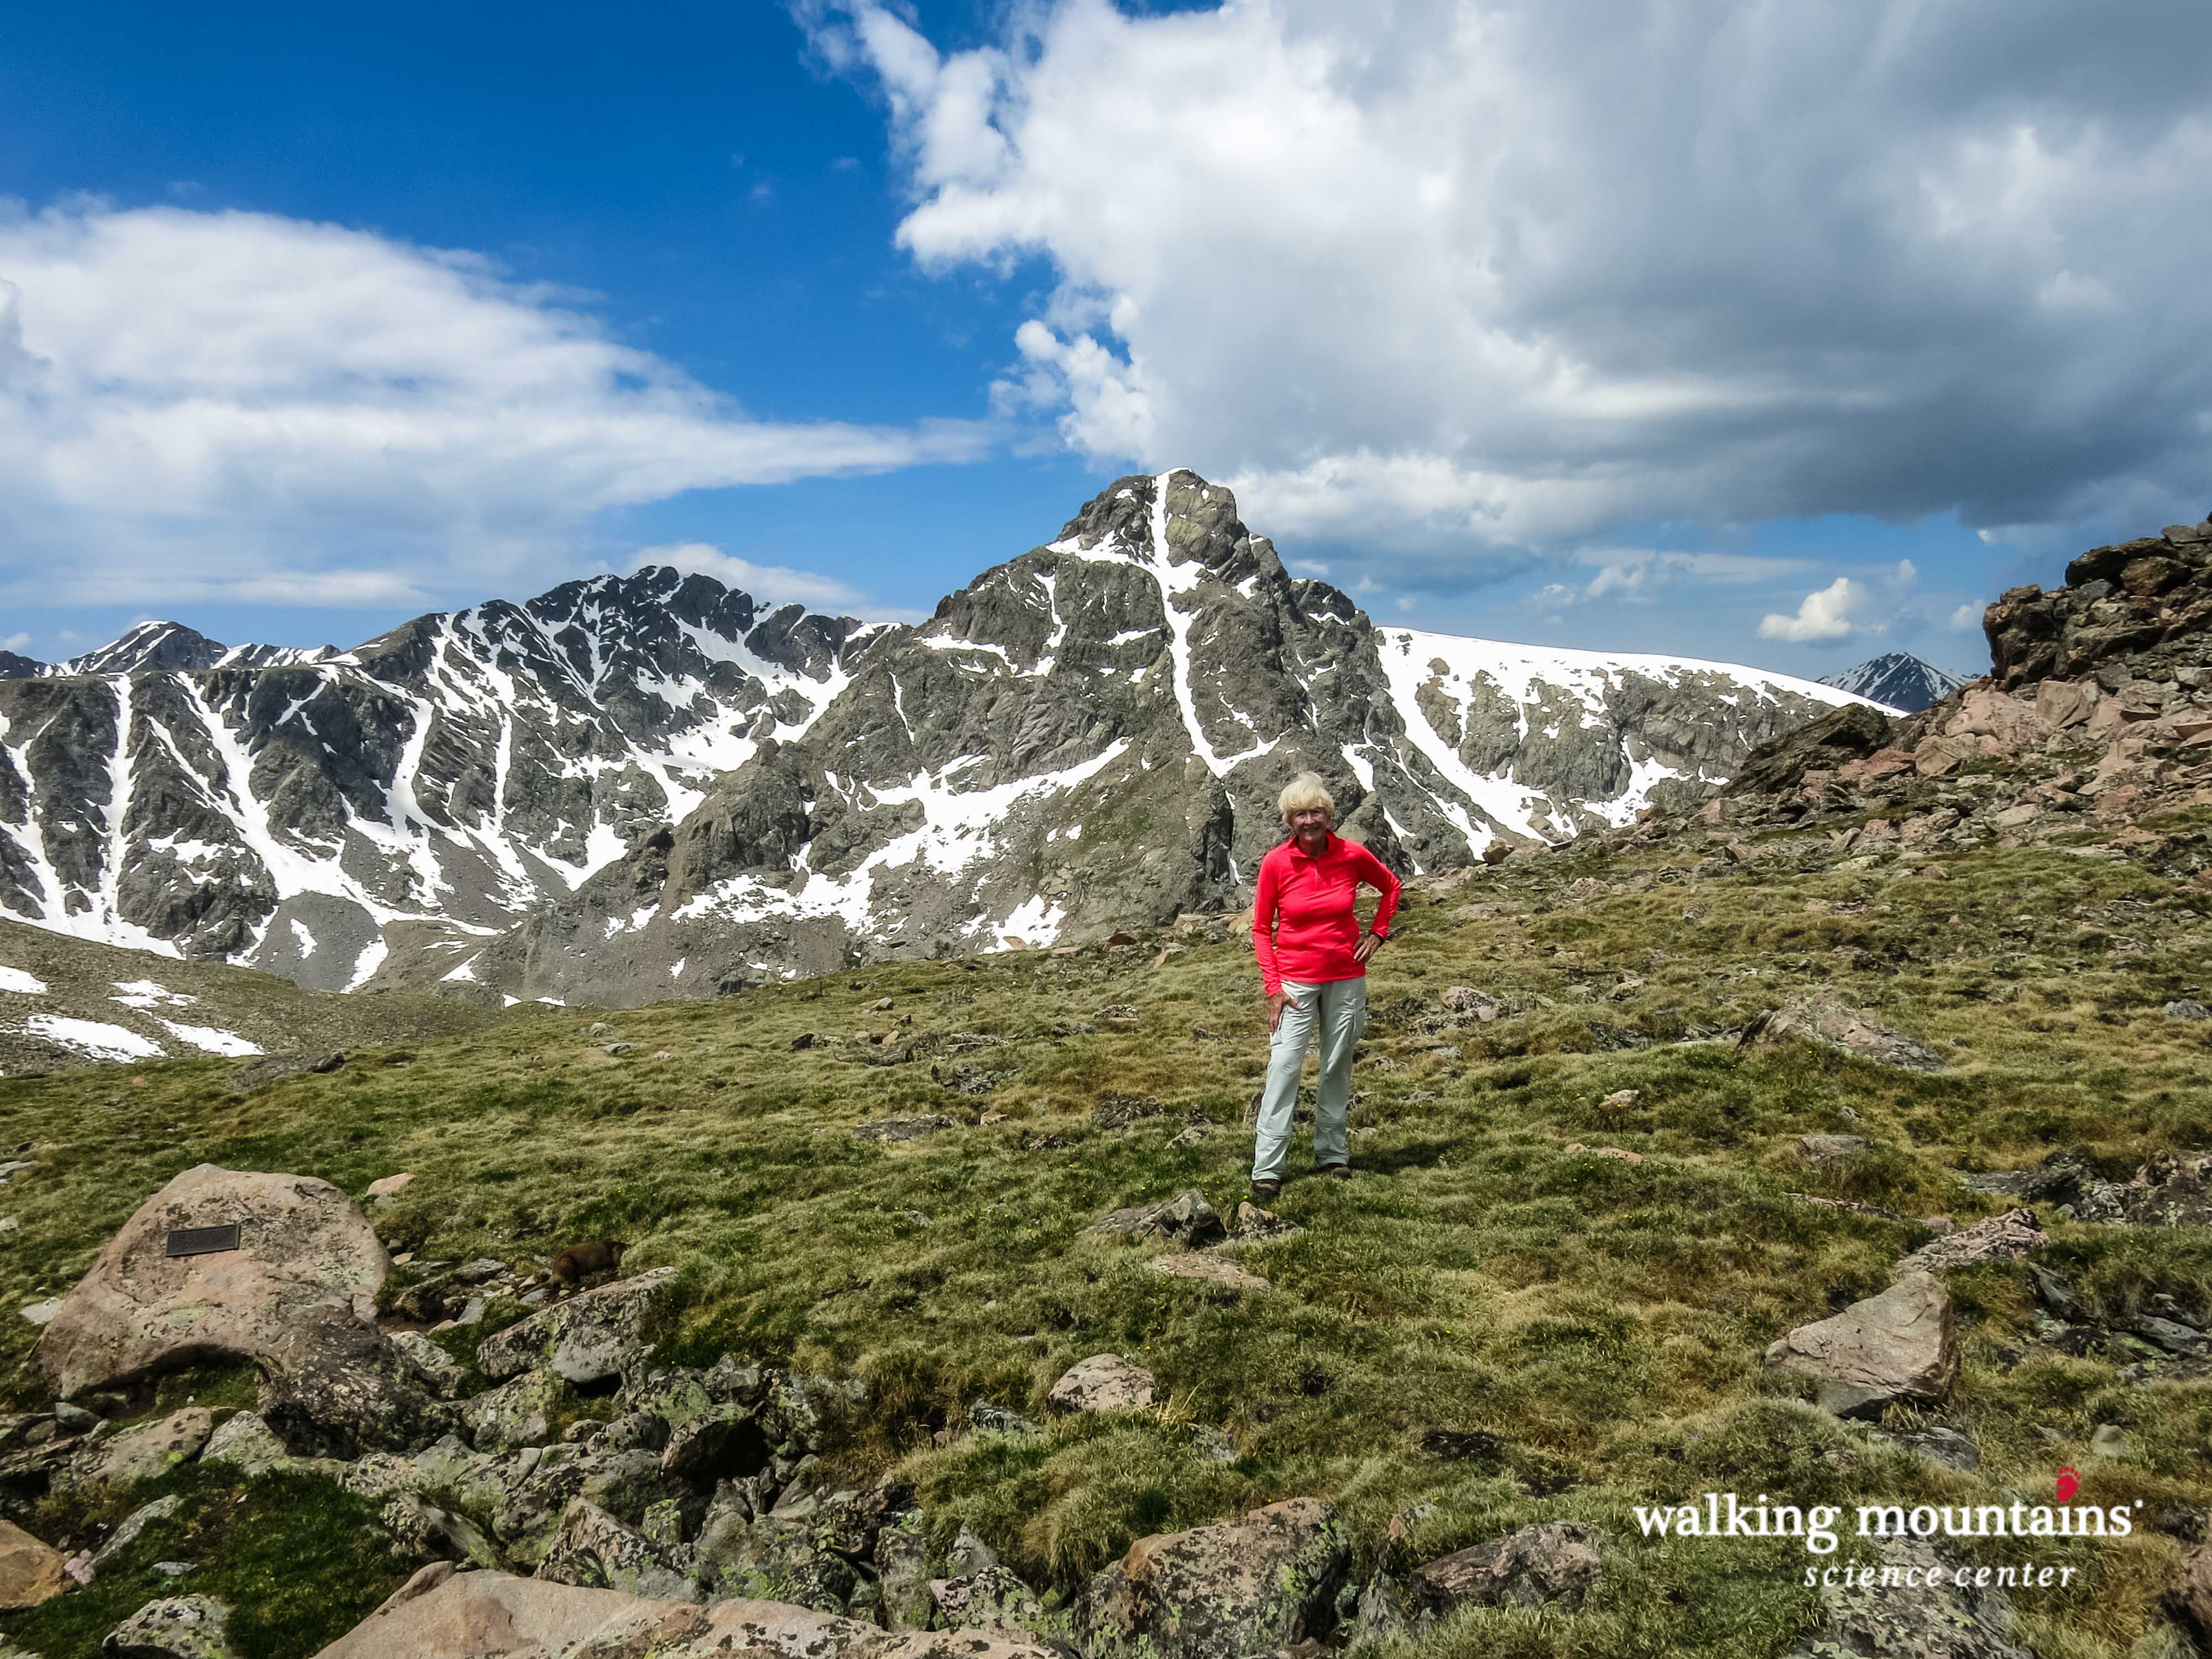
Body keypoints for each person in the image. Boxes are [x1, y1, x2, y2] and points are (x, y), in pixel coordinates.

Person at [1248, 771, 1402, 1201]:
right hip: (1295, 979)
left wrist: (1378, 933)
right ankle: (1268, 1167)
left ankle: (1332, 1154)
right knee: (1284, 1067)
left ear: (1330, 816)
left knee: (1337, 1063)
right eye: (1300, 814)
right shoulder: (1276, 863)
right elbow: (1262, 929)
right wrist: (1273, 988)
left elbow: (1391, 886)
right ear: (1288, 821)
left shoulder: (1352, 856)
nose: (1309, 821)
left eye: (1316, 812)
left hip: (1346, 976)